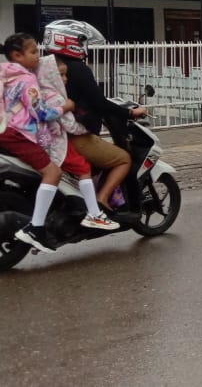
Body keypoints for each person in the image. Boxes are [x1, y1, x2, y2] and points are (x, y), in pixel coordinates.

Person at [1, 34, 118, 254]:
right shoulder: (26, 80)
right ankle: (36, 228)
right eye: (34, 51)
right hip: (18, 133)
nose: (38, 56)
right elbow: (41, 112)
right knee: (52, 174)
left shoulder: (6, 74)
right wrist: (67, 107)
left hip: (6, 130)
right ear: (17, 55)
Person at [42, 20, 147, 211]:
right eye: (81, 40)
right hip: (74, 135)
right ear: (68, 40)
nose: (84, 46)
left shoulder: (45, 65)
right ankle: (103, 199)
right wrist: (130, 112)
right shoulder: (77, 68)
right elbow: (98, 102)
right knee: (124, 158)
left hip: (51, 133)